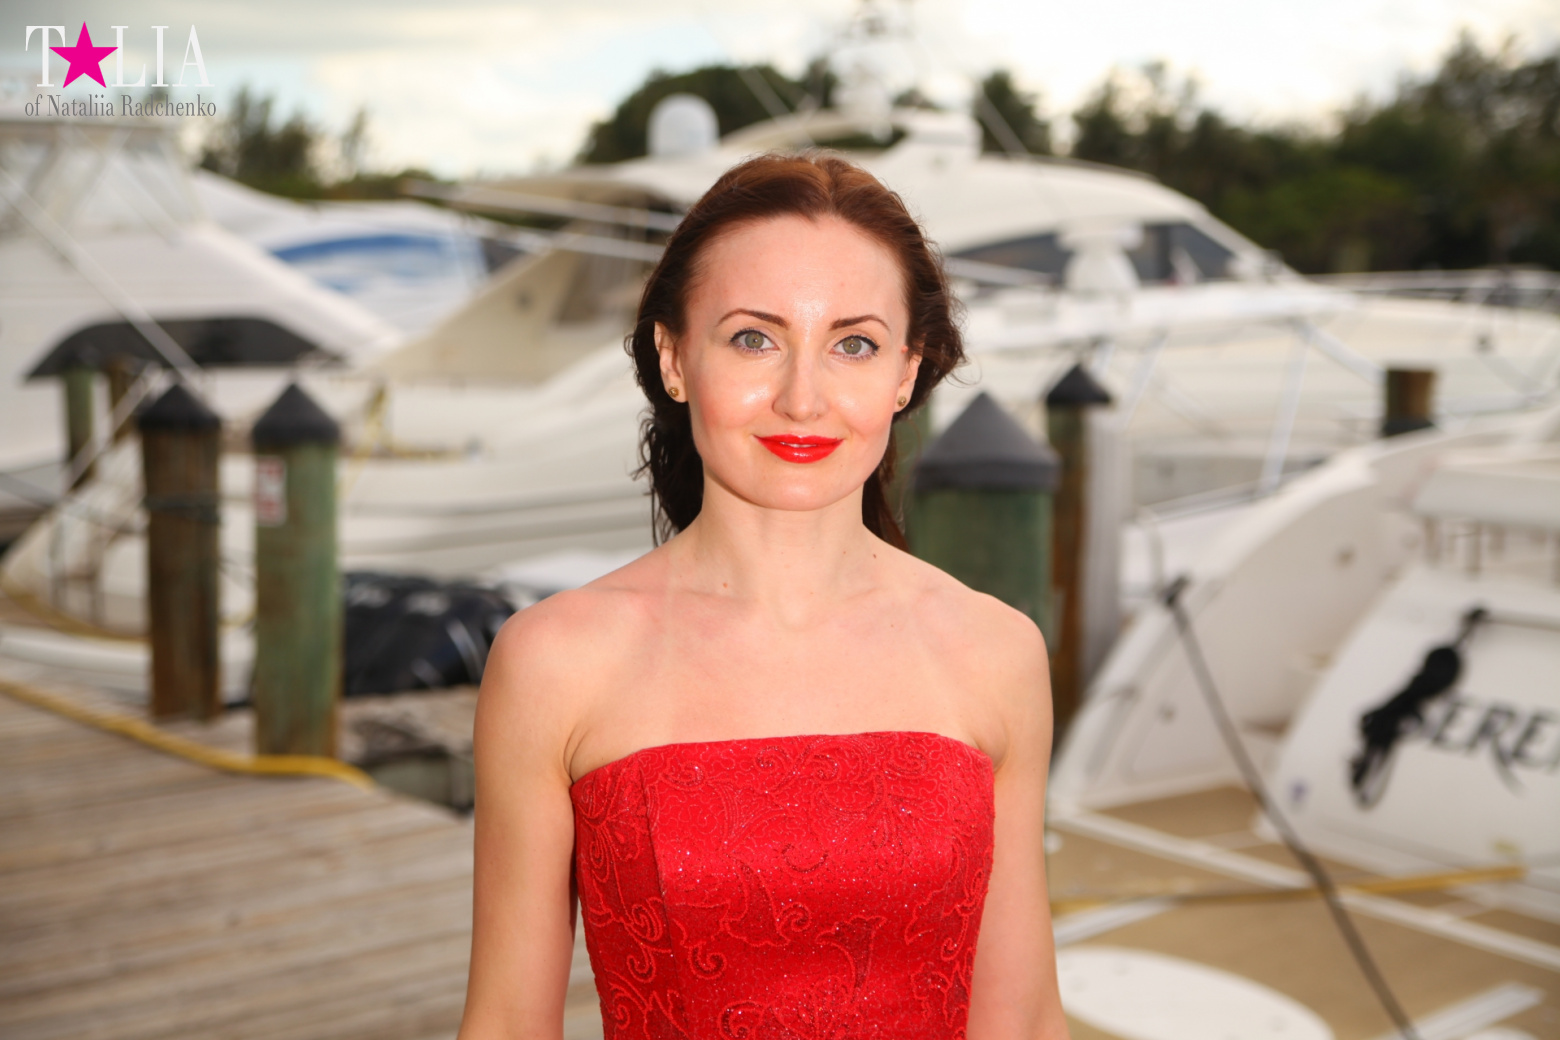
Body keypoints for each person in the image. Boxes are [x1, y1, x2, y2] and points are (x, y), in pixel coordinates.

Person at [458, 153, 1069, 1040]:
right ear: (674, 357)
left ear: (906, 372)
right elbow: (509, 1022)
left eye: (853, 344)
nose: (802, 398)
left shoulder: (995, 651)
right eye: (755, 338)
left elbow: (1023, 1019)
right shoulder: (555, 662)